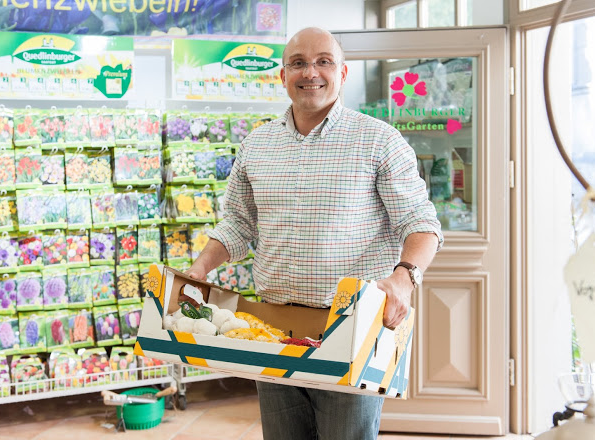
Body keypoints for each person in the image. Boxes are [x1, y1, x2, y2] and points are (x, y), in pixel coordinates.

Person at [186, 27, 443, 440]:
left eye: (324, 61)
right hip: (272, 329)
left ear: (343, 73)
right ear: (282, 75)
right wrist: (199, 268)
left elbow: (421, 222)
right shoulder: (256, 145)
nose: (311, 72)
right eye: (298, 63)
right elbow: (237, 222)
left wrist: (404, 278)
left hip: (351, 328)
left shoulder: (379, 141)